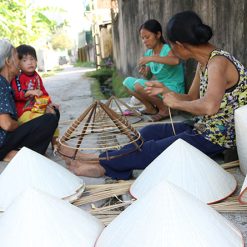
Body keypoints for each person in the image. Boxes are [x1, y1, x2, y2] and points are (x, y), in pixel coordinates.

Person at [62, 11, 247, 180]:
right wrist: (166, 92)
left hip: (218, 138)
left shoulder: (218, 63)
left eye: (172, 46)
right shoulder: (204, 62)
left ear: (180, 45)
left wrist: (175, 104)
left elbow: (209, 106)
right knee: (149, 132)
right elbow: (191, 98)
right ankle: (107, 165)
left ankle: (97, 160)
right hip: (202, 127)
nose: (172, 50)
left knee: (152, 149)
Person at [0, 39, 59, 161]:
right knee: (49, 119)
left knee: (52, 113)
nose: (20, 62)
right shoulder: (1, 84)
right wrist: (25, 124)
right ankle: (10, 153)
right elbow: (6, 124)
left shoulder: (8, 82)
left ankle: (20, 152)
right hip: (3, 141)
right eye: (18, 58)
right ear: (8, 61)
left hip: (8, 136)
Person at [123, 19, 185, 122]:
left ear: (158, 34)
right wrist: (144, 72)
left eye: (147, 37)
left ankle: (165, 109)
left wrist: (151, 58)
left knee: (138, 84)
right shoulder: (149, 53)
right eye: (142, 38)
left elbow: (176, 60)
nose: (144, 41)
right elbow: (148, 76)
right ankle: (150, 108)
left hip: (173, 88)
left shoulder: (167, 49)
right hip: (159, 87)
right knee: (127, 82)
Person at [11, 44, 59, 147]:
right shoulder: (18, 78)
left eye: (32, 59)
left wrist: (50, 103)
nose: (29, 62)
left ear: (36, 61)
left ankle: (55, 143)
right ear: (18, 64)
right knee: (45, 120)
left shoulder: (37, 76)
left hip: (37, 108)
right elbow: (16, 94)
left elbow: (43, 92)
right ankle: (38, 146)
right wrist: (29, 92)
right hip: (24, 112)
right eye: (24, 60)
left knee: (53, 115)